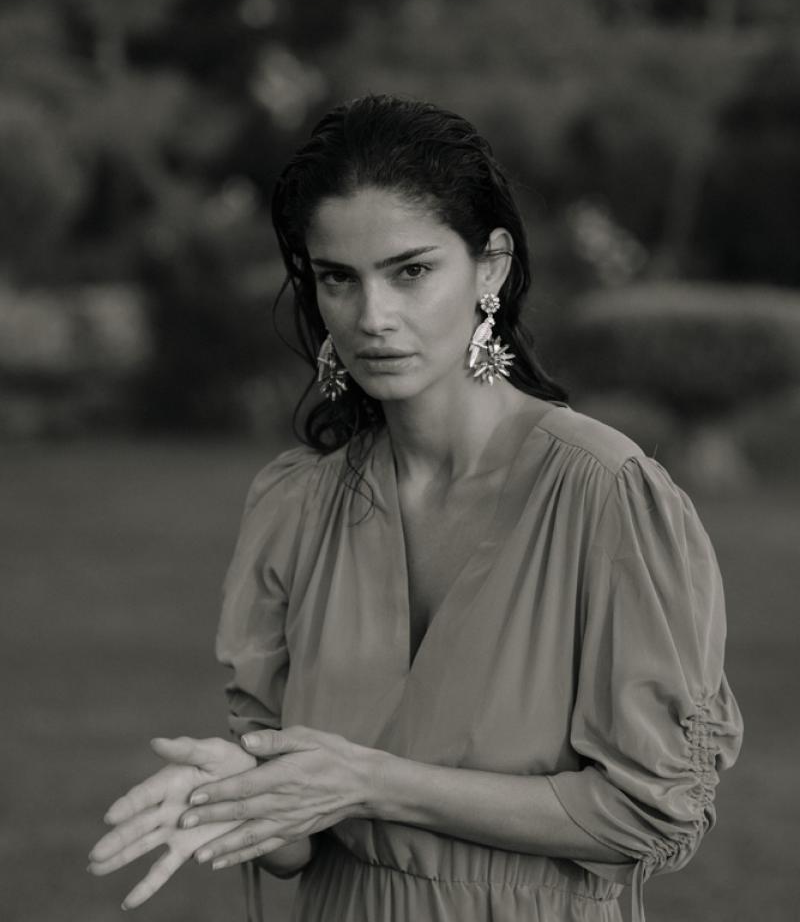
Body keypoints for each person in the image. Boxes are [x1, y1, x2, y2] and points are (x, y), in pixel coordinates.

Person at [88, 95, 743, 922]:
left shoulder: (604, 493)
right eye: (338, 278)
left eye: (411, 271)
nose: (373, 318)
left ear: (490, 267)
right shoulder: (299, 505)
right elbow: (296, 847)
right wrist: (244, 792)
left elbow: (651, 812)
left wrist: (371, 782)